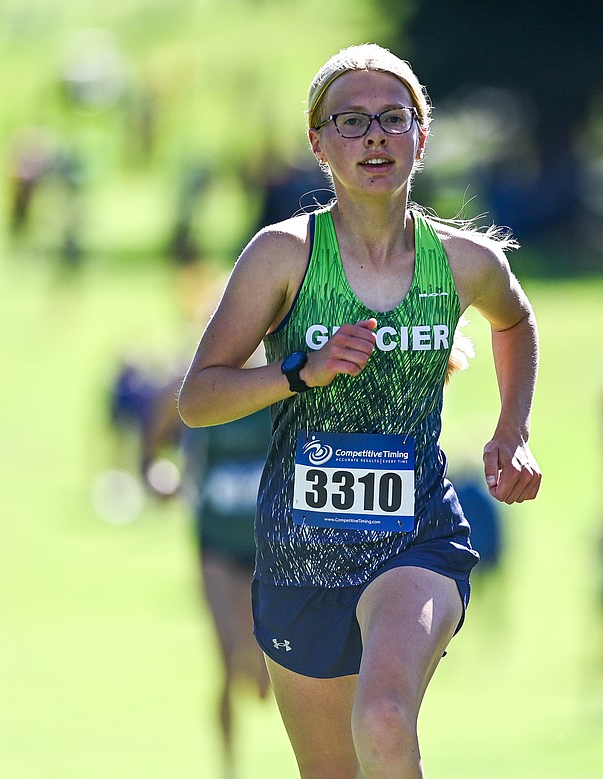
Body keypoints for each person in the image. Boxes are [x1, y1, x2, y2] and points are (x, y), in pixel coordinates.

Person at [177, 44, 542, 778]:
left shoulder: (465, 262)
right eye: (351, 120)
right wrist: (298, 372)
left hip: (416, 537)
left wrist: (513, 428)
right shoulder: (282, 256)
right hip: (299, 552)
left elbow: (516, 321)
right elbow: (199, 398)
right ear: (318, 143)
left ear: (420, 135)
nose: (374, 136)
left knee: (382, 717)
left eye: (392, 118)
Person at [140, 363, 273, 779]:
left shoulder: (277, 380)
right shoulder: (195, 387)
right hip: (215, 543)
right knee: (227, 660)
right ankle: (228, 769)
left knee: (266, 674)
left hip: (270, 547)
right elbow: (150, 452)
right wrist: (157, 479)